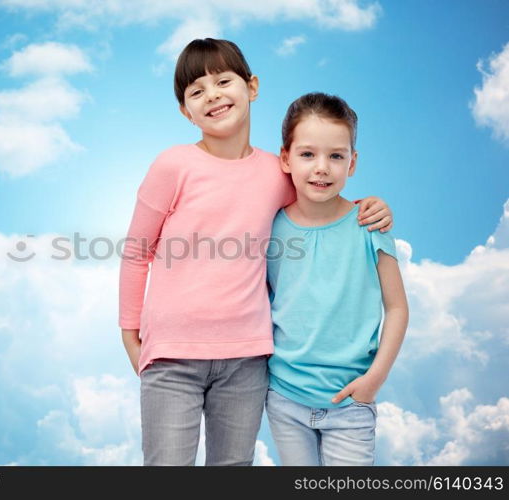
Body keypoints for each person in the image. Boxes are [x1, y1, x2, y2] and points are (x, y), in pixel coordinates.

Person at [119, 39, 393, 466]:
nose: (212, 94)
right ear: (184, 111)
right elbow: (137, 251)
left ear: (252, 86)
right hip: (171, 355)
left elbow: (318, 197)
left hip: (247, 359)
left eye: (223, 81)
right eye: (196, 91)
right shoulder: (172, 166)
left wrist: (368, 205)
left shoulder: (275, 171)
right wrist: (129, 334)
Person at [265, 92, 409, 466]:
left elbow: (396, 307)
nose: (322, 168)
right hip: (284, 399)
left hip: (350, 404)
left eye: (336, 156)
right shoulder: (269, 227)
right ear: (285, 158)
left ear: (352, 162)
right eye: (308, 154)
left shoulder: (370, 225)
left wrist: (374, 380)